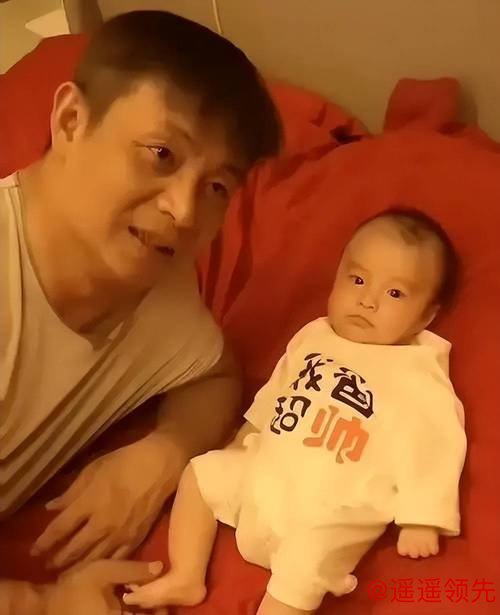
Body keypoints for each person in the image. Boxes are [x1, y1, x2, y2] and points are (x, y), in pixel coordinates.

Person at [0, 7, 282, 578]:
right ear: (71, 120)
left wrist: (165, 452)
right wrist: (38, 604)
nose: (184, 211)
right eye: (161, 154)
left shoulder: (159, 292)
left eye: (216, 187)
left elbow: (215, 374)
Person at [123, 209, 467, 615]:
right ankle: (185, 575)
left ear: (425, 315)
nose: (367, 300)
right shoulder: (314, 337)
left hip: (331, 507)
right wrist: (244, 441)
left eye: (395, 294)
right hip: (266, 475)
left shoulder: (416, 370)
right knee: (201, 472)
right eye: (357, 280)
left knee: (309, 561)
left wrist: (421, 517)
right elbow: (277, 394)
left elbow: (435, 442)